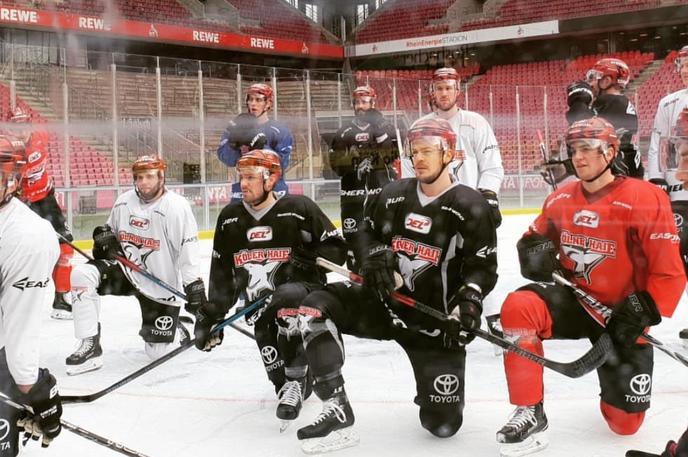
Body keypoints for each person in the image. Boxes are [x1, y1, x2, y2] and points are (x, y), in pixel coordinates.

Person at [285, 118, 498, 454]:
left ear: (450, 153)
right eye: (415, 151)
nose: (420, 158)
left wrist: (468, 302)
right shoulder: (393, 194)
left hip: (434, 326)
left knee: (442, 425)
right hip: (383, 306)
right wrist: (374, 254)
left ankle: (431, 386)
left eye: (428, 150)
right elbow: (366, 234)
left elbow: (483, 267)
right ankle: (336, 404)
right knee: (314, 307)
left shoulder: (470, 205)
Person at [495, 117, 686, 457]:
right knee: (518, 306)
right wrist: (532, 251)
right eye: (573, 150)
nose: (578, 157)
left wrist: (643, 310)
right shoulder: (561, 197)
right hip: (574, 301)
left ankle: (615, 386)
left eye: (587, 149)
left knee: (625, 425)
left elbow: (669, 272)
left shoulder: (645, 198)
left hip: (622, 316)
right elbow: (534, 238)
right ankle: (530, 410)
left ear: (610, 151)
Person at [192, 149, 347, 429]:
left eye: (251, 177)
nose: (244, 184)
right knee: (284, 385)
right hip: (261, 314)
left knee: (288, 300)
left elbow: (337, 250)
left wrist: (313, 255)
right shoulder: (230, 218)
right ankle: (296, 377)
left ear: (271, 178)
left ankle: (303, 368)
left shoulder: (299, 209)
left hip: (303, 305)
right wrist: (212, 315)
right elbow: (222, 274)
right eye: (241, 177)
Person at [66, 155, 206, 375]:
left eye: (149, 176)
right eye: (139, 177)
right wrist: (103, 238)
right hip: (125, 272)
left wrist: (193, 286)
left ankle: (179, 327)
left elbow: (188, 249)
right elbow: (107, 232)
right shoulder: (124, 201)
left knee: (157, 353)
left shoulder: (176, 207)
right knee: (82, 274)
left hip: (159, 285)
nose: (143, 182)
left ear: (161, 177)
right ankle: (89, 344)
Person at [402, 66, 504, 332]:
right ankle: (438, 313)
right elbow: (410, 169)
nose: (444, 93)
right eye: (439, 88)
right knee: (436, 261)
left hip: (469, 209)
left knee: (480, 259)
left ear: (458, 90)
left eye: (449, 87)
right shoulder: (419, 126)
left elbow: (491, 165)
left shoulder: (476, 122)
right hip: (435, 210)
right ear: (431, 92)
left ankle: (492, 316)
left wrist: (488, 197)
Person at [0, 136, 62, 455]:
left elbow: (19, 335)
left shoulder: (28, 238)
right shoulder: (27, 236)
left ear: (12, 180)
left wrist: (33, 389)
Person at [6, 107, 74, 320]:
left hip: (45, 200)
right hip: (20, 203)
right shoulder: (7, 149)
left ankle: (61, 300)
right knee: (15, 253)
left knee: (66, 247)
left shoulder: (41, 135)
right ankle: (12, 301)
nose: (21, 131)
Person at [328, 85, 397, 272]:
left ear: (373, 103)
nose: (360, 106)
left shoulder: (386, 127)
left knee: (385, 246)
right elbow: (336, 167)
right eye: (357, 102)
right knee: (355, 250)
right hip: (353, 197)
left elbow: (392, 157)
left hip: (381, 195)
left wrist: (379, 133)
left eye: (365, 102)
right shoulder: (343, 132)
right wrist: (355, 161)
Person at [646, 45, 688, 346]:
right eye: (682, 64)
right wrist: (657, 178)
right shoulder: (669, 102)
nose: (685, 68)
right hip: (680, 191)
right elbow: (659, 142)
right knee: (678, 256)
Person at [565, 57, 643, 178]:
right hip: (618, 174)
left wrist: (579, 103)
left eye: (593, 78)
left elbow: (587, 135)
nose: (590, 83)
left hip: (619, 178)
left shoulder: (617, 104)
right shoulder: (611, 104)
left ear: (606, 81)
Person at [217, 83, 293, 201]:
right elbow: (227, 160)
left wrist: (260, 146)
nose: (253, 103)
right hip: (243, 191)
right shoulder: (236, 125)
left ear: (268, 103)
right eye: (250, 99)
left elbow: (281, 165)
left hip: (274, 191)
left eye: (258, 100)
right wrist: (233, 144)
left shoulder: (280, 130)